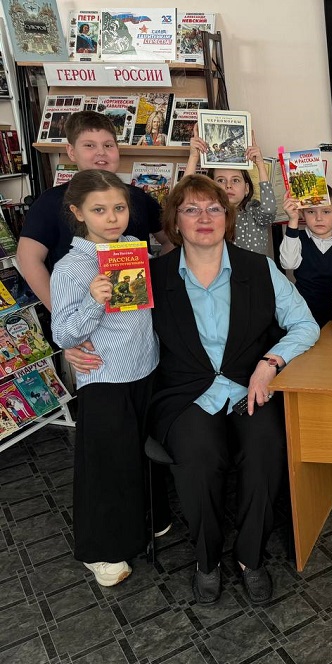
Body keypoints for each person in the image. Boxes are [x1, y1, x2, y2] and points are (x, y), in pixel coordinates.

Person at [149, 174, 319, 604]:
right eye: (191, 209)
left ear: (227, 217)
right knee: (198, 457)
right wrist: (80, 342)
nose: (204, 218)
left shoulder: (259, 268)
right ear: (175, 221)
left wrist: (270, 363)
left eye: (214, 208)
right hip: (185, 392)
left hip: (250, 385)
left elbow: (305, 325)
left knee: (266, 449)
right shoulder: (153, 276)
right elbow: (126, 335)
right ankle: (207, 560)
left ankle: (250, 556)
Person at [50, 170, 159, 587]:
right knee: (106, 465)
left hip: (145, 368)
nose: (112, 218)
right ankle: (101, 550)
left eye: (119, 208)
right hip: (106, 376)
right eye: (99, 210)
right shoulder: (71, 268)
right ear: (78, 212)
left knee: (138, 455)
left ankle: (144, 520)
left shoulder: (132, 248)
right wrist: (95, 301)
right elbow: (64, 334)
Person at [17, 111, 173, 311]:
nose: (101, 152)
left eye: (108, 145)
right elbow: (28, 258)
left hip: (136, 314)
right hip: (82, 316)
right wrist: (60, 312)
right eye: (89, 145)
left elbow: (170, 239)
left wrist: (157, 282)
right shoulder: (51, 201)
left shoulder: (138, 196)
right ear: (71, 151)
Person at [185, 129, 275, 255]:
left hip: (252, 268)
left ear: (247, 188)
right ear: (211, 188)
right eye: (221, 180)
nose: (228, 186)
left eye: (236, 180)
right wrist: (194, 157)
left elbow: (269, 210)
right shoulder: (205, 216)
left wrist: (260, 163)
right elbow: (182, 202)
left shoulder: (254, 214)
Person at [279, 185, 332, 327]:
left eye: (326, 211)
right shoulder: (296, 238)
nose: (319, 218)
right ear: (302, 213)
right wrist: (293, 220)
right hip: (303, 315)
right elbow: (288, 264)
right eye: (311, 211)